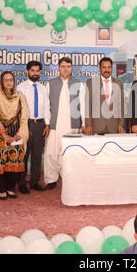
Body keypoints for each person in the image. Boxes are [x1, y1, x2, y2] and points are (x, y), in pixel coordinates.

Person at [43, 57, 86, 190]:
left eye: (68, 66)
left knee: (71, 153)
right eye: (63, 66)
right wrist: (47, 123)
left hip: (72, 125)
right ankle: (51, 179)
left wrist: (84, 123)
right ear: (58, 68)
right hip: (55, 125)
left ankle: (71, 178)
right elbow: (46, 106)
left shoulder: (79, 84)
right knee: (51, 152)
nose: (65, 69)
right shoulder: (50, 84)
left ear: (71, 68)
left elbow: (83, 105)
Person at [0, 71, 29, 200]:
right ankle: (1, 189)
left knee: (15, 161)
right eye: (6, 80)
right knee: (0, 162)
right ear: (1, 82)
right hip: (0, 136)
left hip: (16, 136)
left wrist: (19, 134)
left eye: (11, 80)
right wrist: (4, 136)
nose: (8, 82)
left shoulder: (19, 96)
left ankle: (11, 187)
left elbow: (24, 116)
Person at [16, 61, 51, 194]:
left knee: (37, 155)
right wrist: (23, 127)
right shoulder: (21, 88)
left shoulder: (43, 88)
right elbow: (18, 110)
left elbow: (47, 107)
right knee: (24, 155)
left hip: (40, 124)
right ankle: (21, 182)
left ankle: (34, 181)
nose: (35, 73)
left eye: (37, 71)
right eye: (32, 71)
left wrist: (47, 124)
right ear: (27, 72)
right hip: (26, 124)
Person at [84, 57, 125, 135]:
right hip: (96, 127)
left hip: (114, 127)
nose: (107, 70)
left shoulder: (118, 83)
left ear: (112, 68)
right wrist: (88, 124)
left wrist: (121, 124)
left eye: (109, 67)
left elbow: (121, 106)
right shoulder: (91, 82)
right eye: (104, 67)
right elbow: (88, 105)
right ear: (99, 68)